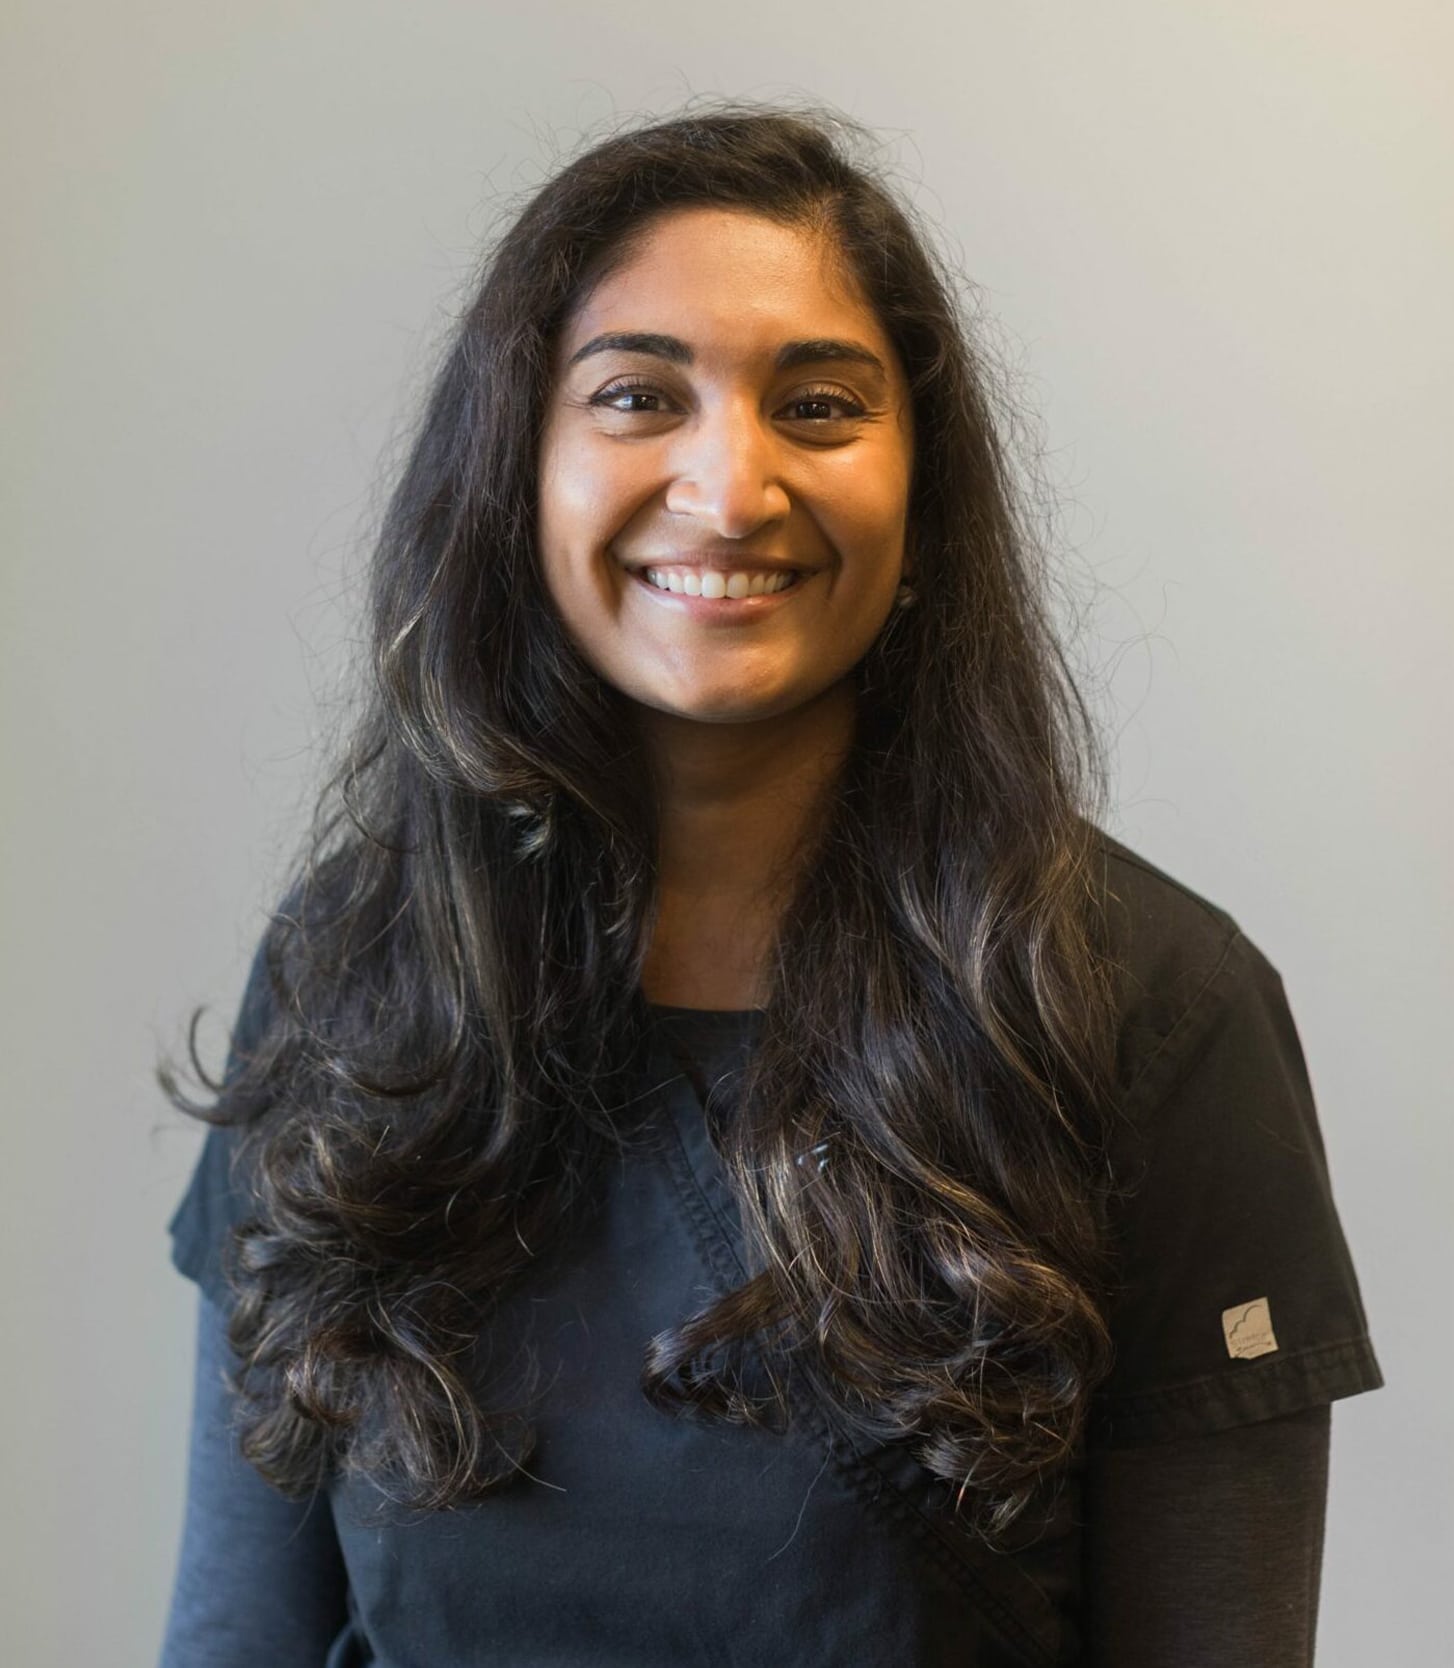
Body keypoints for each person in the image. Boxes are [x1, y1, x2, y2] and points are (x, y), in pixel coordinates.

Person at [157, 102, 1382, 1667]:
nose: (730, 489)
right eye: (635, 396)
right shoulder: (354, 971)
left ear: (921, 500)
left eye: (816, 405)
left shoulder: (1146, 1006)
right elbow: (234, 1637)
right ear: (517, 475)